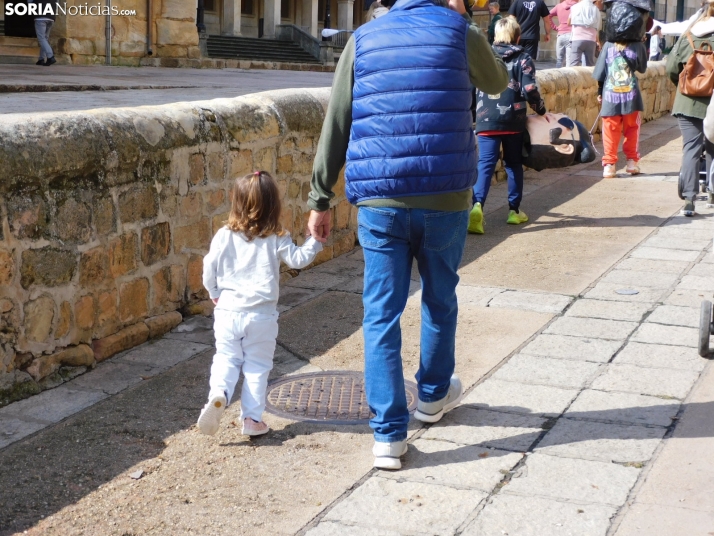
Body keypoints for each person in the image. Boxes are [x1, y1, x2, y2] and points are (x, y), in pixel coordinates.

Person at [307, 0, 508, 470]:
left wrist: (319, 196)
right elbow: (498, 82)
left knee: (380, 313)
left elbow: (337, 121)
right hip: (444, 194)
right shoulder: (458, 29)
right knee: (440, 298)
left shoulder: (362, 38)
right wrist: (467, 23)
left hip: (380, 200)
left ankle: (388, 437)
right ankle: (433, 397)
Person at [197, 171, 322, 437]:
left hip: (228, 311)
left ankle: (219, 393)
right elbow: (298, 259)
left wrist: (214, 290)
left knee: (227, 358)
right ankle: (252, 420)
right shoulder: (277, 236)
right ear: (274, 205)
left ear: (236, 202)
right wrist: (315, 241)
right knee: (257, 367)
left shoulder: (223, 235)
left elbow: (209, 265)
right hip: (261, 316)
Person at [469, 17, 546, 235]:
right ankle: (514, 211)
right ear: (517, 36)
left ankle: (477, 207)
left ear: (495, 35)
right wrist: (541, 109)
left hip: (485, 118)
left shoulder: (484, 56)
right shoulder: (523, 57)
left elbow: (471, 85)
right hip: (513, 119)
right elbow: (530, 89)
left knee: (484, 164)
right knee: (513, 164)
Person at [666, 1, 714, 216]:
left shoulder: (688, 34)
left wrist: (684, 87)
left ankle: (688, 199)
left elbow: (670, 67)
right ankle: (712, 192)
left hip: (687, 101)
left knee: (691, 148)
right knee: (713, 147)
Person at [593, 39, 648, 178]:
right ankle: (631, 162)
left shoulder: (608, 45)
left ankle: (609, 165)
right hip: (631, 94)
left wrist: (600, 91)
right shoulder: (638, 45)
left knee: (610, 129)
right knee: (632, 128)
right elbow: (642, 68)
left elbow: (601, 72)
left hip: (611, 94)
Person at [568, 0, 601, 66]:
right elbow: (598, 27)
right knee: (590, 65)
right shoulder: (596, 9)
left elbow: (569, 22)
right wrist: (598, 41)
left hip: (577, 38)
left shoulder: (575, 7)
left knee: (574, 64)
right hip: (591, 39)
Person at [549, 0, 578, 67]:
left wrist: (555, 27)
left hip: (560, 35)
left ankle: (557, 76)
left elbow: (548, 15)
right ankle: (569, 77)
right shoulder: (577, 6)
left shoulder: (559, 6)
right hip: (571, 35)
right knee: (569, 60)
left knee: (559, 60)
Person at [31, 0, 56, 66]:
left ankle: (50, 56)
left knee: (41, 38)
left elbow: (30, 2)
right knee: (45, 38)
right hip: (51, 17)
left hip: (40, 16)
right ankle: (41, 59)